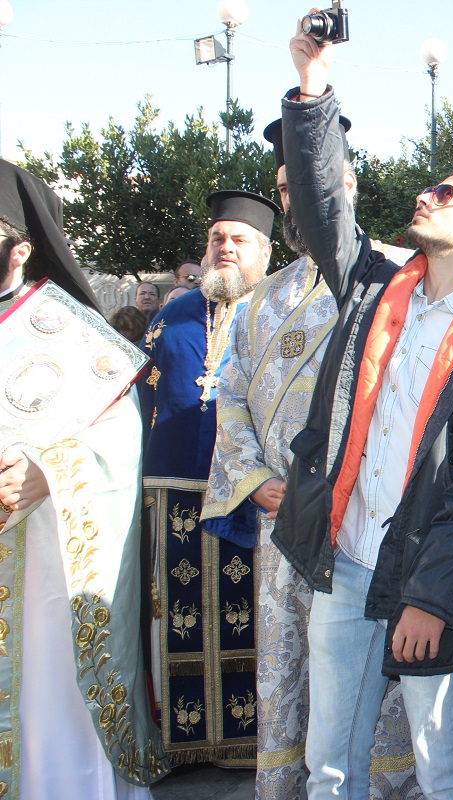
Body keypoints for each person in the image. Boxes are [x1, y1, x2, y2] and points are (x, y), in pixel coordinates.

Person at [276, 26, 453, 800]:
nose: (427, 195)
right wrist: (313, 85)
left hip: (429, 573)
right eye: (432, 187)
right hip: (346, 559)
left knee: (441, 765)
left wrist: (432, 598)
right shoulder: (371, 286)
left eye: (446, 195)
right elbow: (323, 206)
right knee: (329, 762)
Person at [200, 118, 418, 798]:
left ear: (346, 183)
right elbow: (232, 393)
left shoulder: (400, 275)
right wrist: (254, 479)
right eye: (287, 189)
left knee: (367, 669)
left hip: (366, 519)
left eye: (310, 181)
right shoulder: (261, 298)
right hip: (282, 520)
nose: (297, 199)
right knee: (290, 662)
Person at [0, 158, 167, 797]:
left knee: (46, 711)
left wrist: (50, 472)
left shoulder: (72, 330)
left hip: (42, 564)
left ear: (19, 249)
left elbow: (122, 436)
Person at [140, 189, 278, 765]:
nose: (226, 247)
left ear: (265, 252)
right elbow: (138, 395)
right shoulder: (171, 316)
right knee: (175, 615)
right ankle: (183, 743)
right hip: (172, 491)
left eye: (239, 239)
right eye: (217, 238)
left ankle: (257, 743)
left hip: (253, 491)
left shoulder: (280, 311)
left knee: (252, 616)